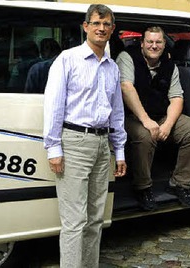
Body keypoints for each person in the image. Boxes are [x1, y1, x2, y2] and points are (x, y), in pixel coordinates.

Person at [43, 4, 127, 267]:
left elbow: (117, 113)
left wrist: (120, 150)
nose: (101, 29)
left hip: (103, 145)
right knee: (74, 221)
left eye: (106, 25)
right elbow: (54, 106)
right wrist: (54, 148)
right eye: (96, 23)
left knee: (95, 220)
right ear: (86, 27)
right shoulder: (68, 60)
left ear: (112, 30)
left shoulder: (112, 67)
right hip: (75, 143)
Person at [115, 26, 190, 210]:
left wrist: (168, 125)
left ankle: (179, 183)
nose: (154, 46)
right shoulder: (127, 57)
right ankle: (143, 187)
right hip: (131, 116)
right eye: (150, 42)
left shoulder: (170, 65)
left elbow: (177, 98)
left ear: (165, 45)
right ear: (142, 43)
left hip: (161, 115)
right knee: (145, 136)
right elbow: (126, 87)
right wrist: (147, 121)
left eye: (158, 42)